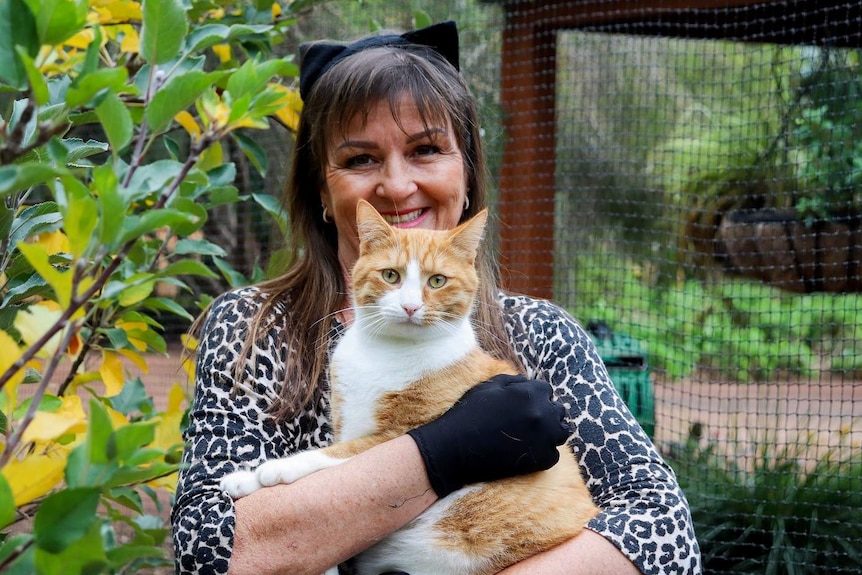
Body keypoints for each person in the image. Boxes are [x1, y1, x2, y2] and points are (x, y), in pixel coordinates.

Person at [171, 20, 701, 575]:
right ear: (322, 193)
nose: (397, 186)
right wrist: (439, 453)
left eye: (426, 149)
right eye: (359, 159)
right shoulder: (254, 326)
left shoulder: (541, 334)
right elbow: (211, 552)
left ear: (467, 171)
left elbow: (662, 535)